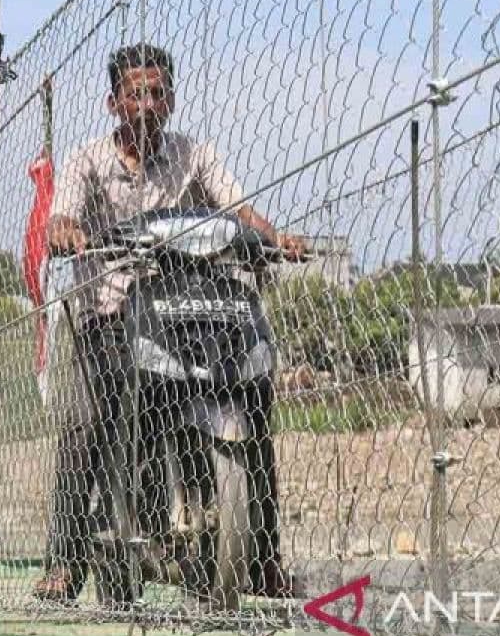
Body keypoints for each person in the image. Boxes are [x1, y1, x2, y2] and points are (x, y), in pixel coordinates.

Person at [32, 43, 304, 604]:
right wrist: (65, 229)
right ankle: (64, 560)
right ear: (114, 102)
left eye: (158, 93)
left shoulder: (193, 154)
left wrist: (275, 239)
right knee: (85, 425)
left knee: (253, 405)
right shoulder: (88, 162)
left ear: (172, 100)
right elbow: (63, 212)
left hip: (183, 309)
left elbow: (237, 206)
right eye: (136, 93)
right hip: (110, 316)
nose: (147, 104)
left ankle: (266, 559)